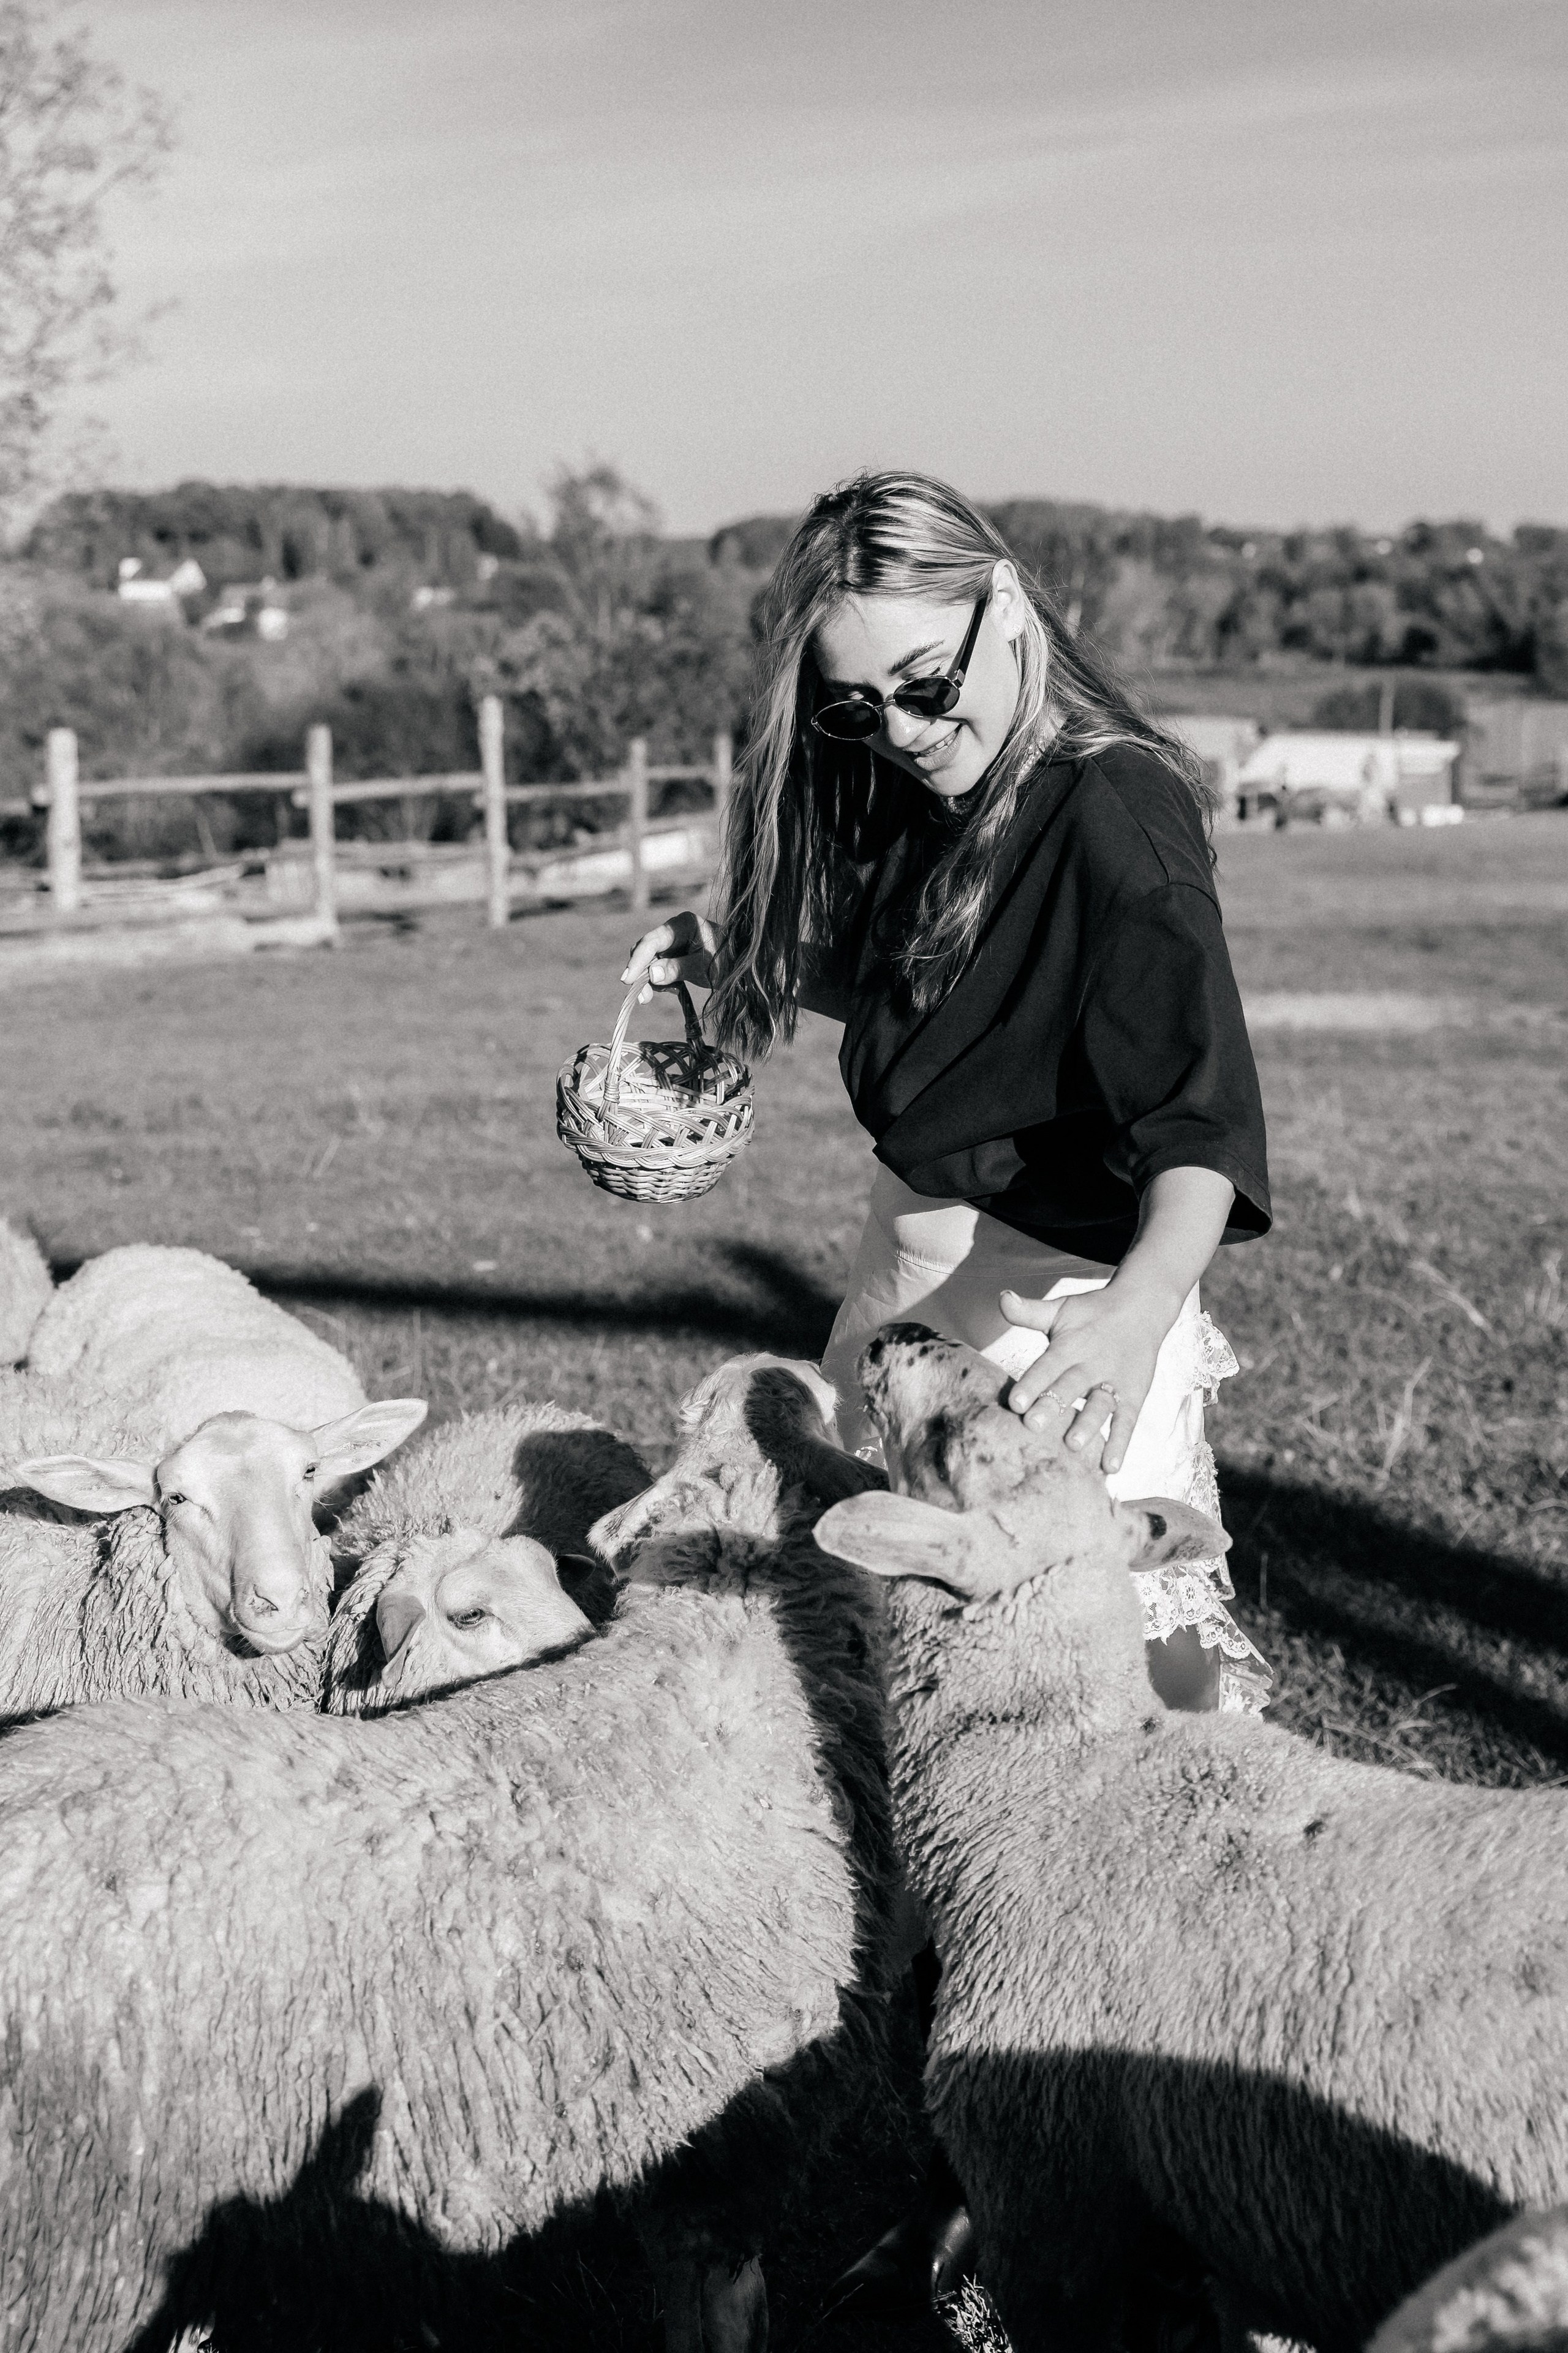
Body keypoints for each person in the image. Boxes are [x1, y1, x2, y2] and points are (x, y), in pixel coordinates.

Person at [622, 470, 1272, 2301]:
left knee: (1114, 1688)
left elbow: (1196, 1121)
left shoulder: (1118, 815)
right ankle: (913, 2083)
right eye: (857, 703)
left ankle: (1172, 2096)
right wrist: (746, 963)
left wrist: (1142, 1313)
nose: (904, 727)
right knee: (880, 1684)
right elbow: (944, 992)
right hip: (931, 1273)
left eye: (928, 678)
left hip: (1078, 1300)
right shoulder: (952, 796)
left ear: (1009, 597)